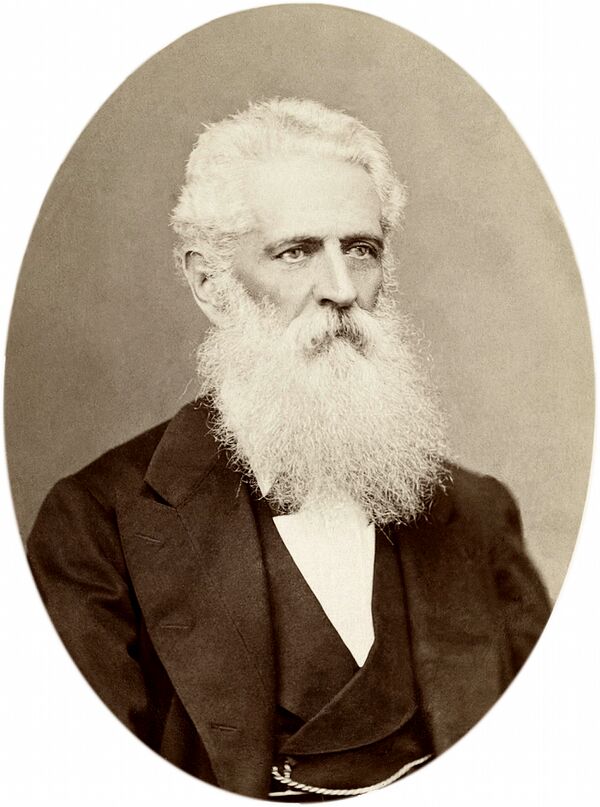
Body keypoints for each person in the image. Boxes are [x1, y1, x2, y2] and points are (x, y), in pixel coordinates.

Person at [27, 98, 551, 800]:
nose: (341, 289)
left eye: (361, 250)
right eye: (296, 252)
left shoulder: (479, 514)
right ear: (210, 284)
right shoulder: (95, 528)